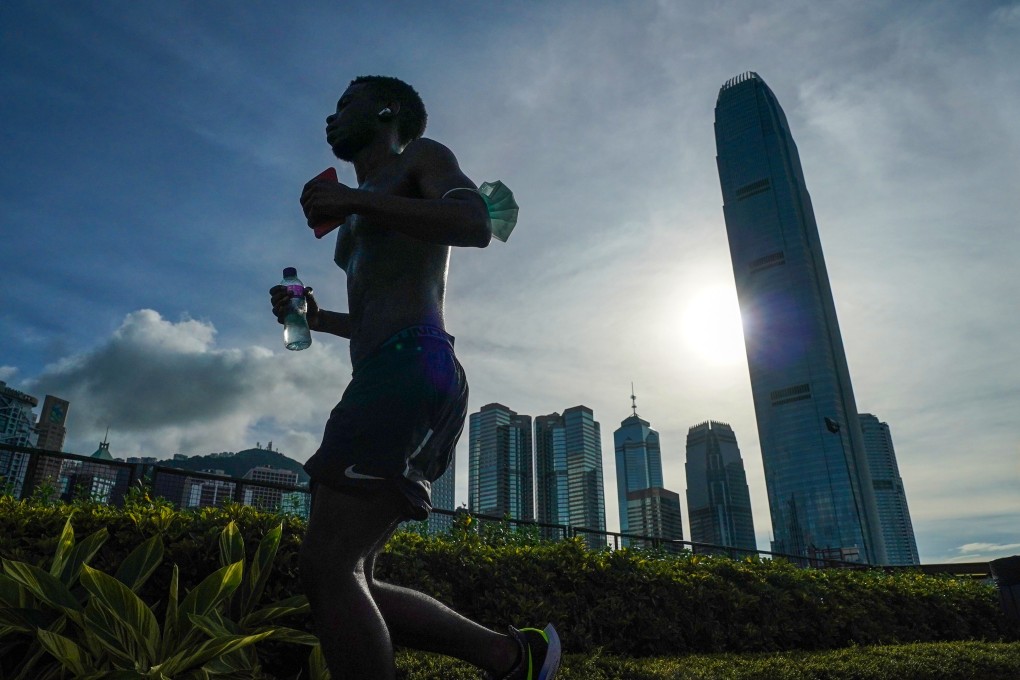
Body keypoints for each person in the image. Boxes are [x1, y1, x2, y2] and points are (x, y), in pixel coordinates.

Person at [270, 75, 561, 680]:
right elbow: (373, 314)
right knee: (355, 573)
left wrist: (355, 201)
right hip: (391, 368)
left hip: (412, 364)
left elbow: (474, 221)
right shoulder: (353, 219)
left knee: (327, 565)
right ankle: (513, 656)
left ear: (386, 111)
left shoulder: (419, 158)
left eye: (345, 103)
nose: (331, 116)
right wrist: (317, 319)